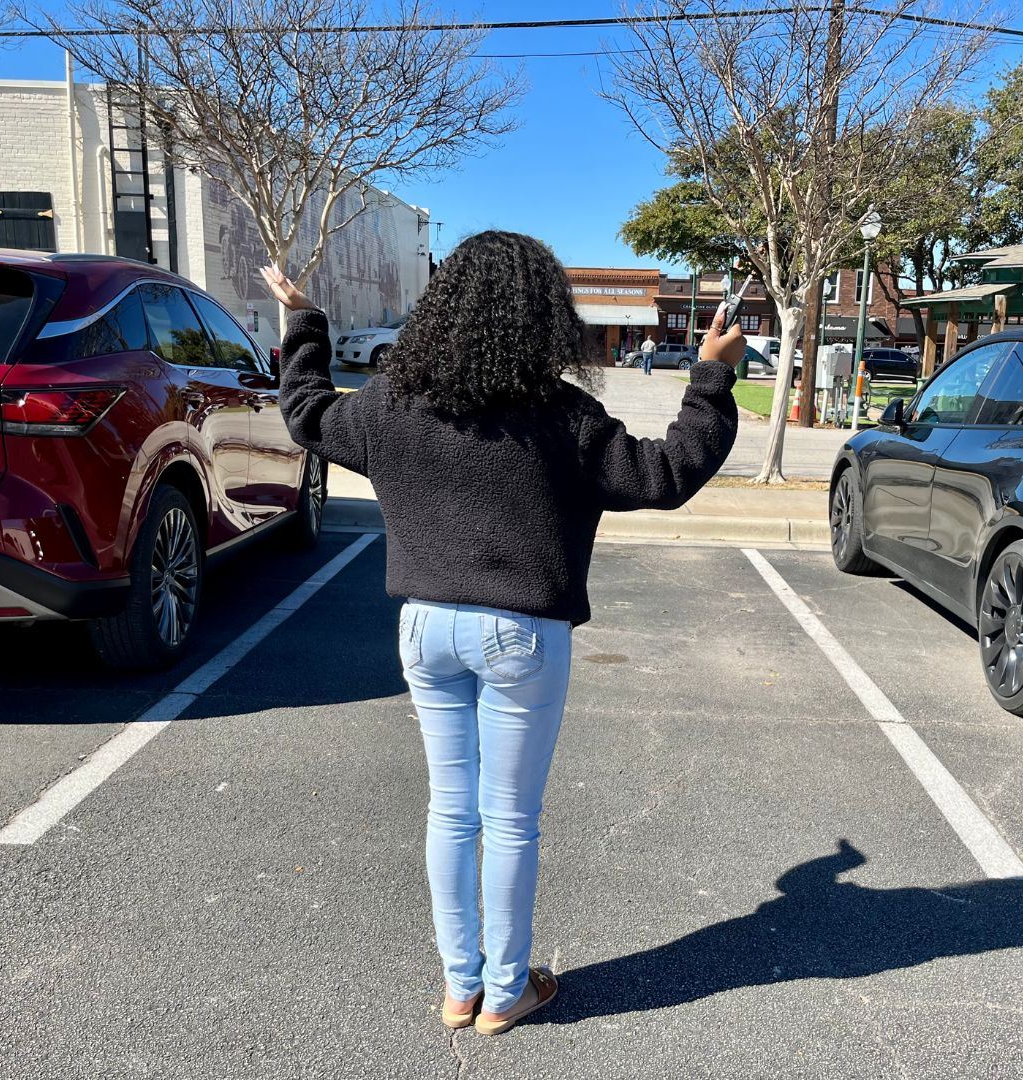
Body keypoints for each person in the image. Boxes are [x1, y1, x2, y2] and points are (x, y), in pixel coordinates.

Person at [260, 231, 744, 1037]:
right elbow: (667, 473)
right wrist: (711, 375)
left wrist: (306, 323)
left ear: (440, 310)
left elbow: (307, 413)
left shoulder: (388, 406)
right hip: (519, 634)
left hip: (423, 629)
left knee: (451, 812)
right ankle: (507, 989)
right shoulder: (563, 417)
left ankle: (461, 990)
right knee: (510, 818)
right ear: (540, 318)